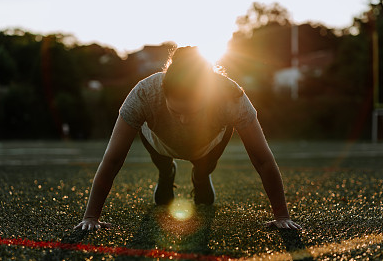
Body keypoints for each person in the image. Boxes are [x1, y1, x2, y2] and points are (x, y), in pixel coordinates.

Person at [74, 46, 301, 231]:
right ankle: (166, 172)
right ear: (163, 90)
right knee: (157, 151)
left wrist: (282, 215)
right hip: (159, 141)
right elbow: (113, 159)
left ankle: (201, 175)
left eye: (192, 112)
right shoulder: (145, 92)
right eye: (176, 112)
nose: (183, 120)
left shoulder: (230, 95)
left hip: (207, 143)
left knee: (204, 173)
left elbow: (262, 159)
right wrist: (91, 216)